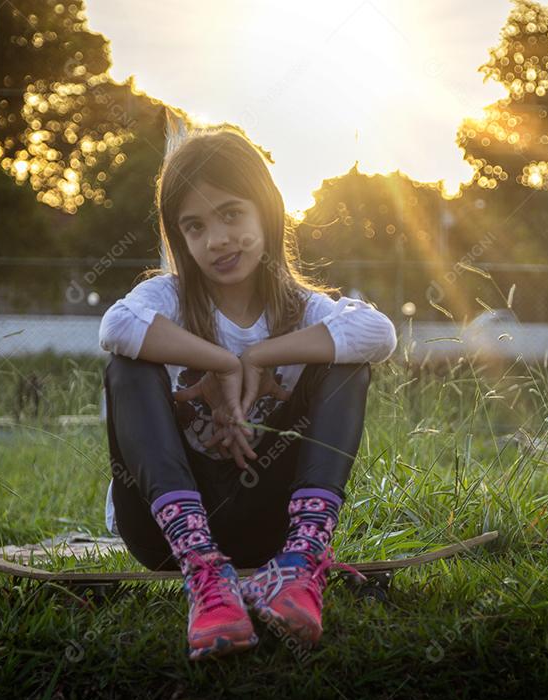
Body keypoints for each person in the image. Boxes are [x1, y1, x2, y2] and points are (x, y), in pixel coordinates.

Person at [98, 121, 398, 661]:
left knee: (345, 363)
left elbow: (378, 334)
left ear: (267, 210)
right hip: (165, 535)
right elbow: (115, 326)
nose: (216, 240)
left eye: (232, 213)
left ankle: (301, 565)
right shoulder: (167, 298)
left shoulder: (302, 309)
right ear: (180, 238)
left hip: (271, 527)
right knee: (127, 365)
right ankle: (205, 576)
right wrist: (219, 362)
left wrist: (258, 355)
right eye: (194, 226)